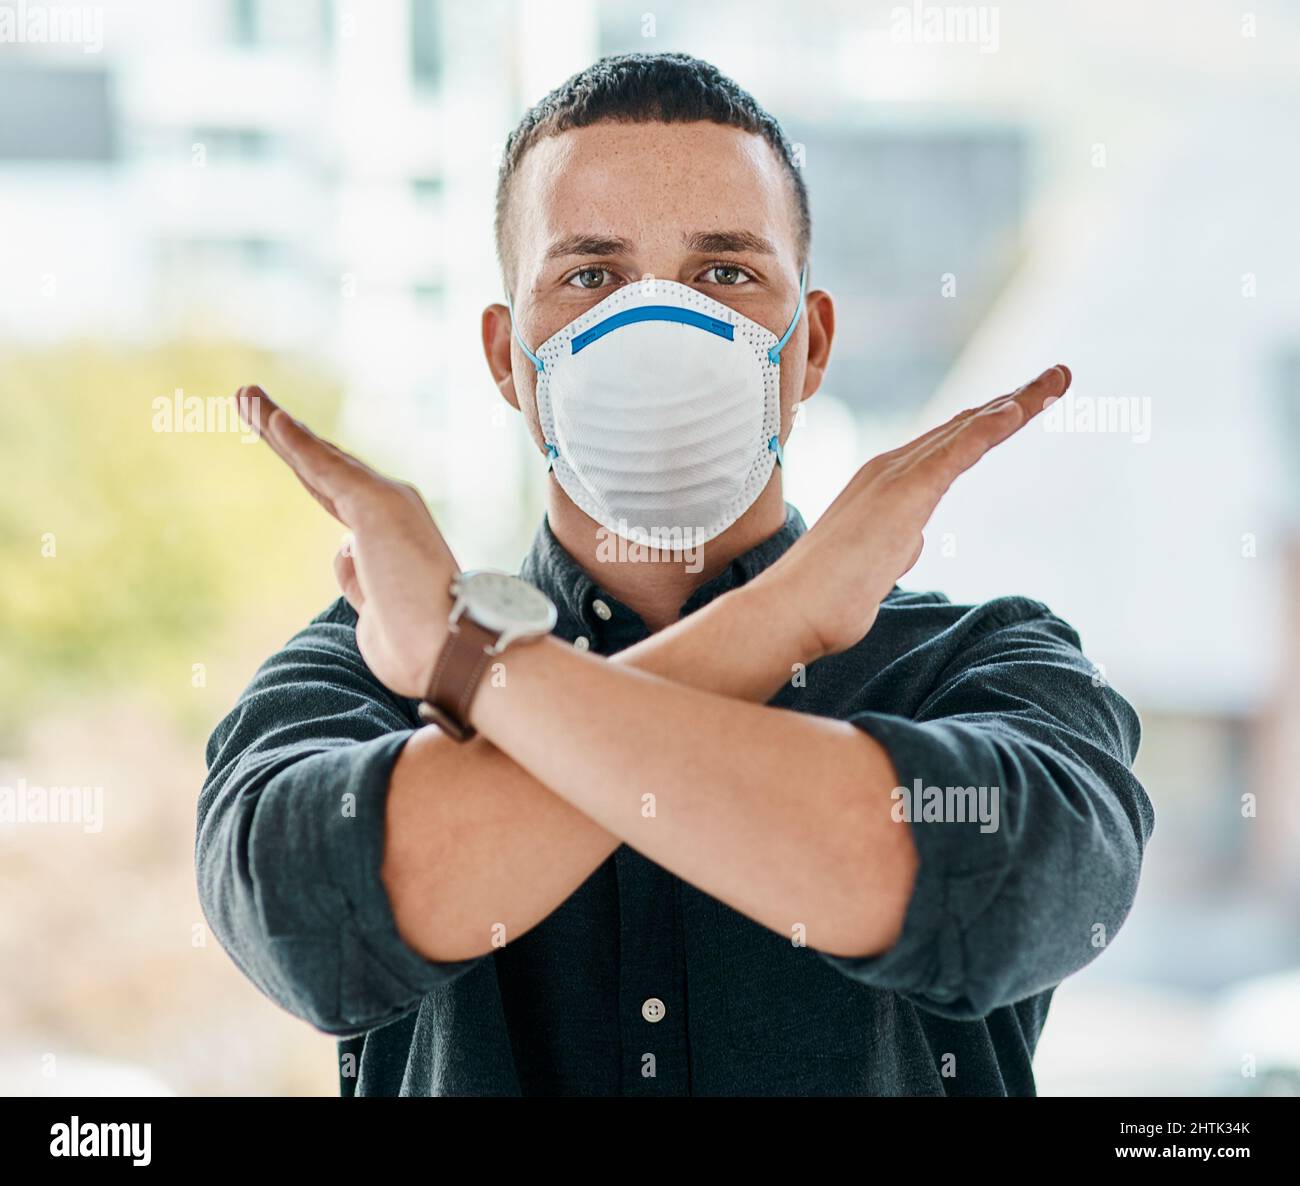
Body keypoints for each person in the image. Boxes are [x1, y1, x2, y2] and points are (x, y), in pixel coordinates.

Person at [197, 52, 1153, 1097]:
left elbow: (983, 899)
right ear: (506, 356)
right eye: (591, 277)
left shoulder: (986, 665)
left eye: (725, 274)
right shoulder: (366, 665)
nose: (656, 327)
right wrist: (781, 621)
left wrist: (482, 674)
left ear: (810, 344)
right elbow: (321, 930)